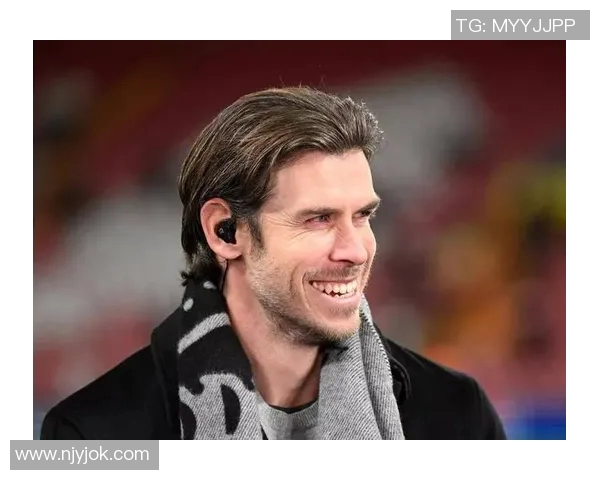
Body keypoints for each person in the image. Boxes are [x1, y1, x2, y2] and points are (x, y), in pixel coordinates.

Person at [41, 87, 506, 440]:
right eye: (318, 219)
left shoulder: (456, 413)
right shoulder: (96, 432)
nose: (356, 250)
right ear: (225, 232)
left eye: (363, 216)